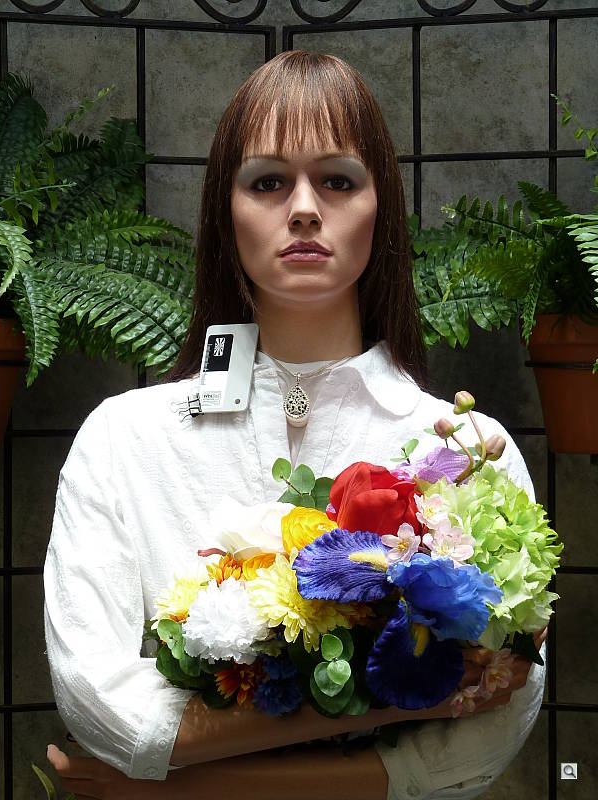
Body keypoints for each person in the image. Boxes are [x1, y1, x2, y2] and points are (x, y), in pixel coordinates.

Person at [45, 50, 548, 800]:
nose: (305, 208)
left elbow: (487, 740)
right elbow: (96, 698)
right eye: (268, 182)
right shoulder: (123, 442)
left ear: (382, 207)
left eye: (338, 180)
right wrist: (420, 697)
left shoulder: (470, 454)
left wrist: (175, 791)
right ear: (226, 210)